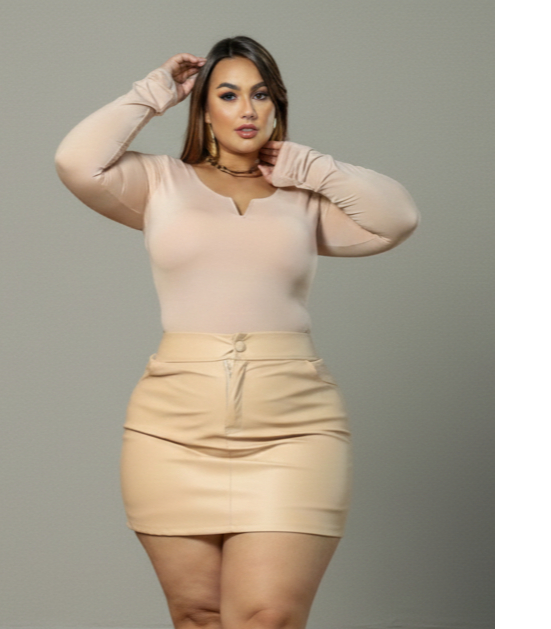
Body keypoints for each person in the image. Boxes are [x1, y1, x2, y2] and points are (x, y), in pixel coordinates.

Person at [55, 35, 419, 629]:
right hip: (172, 429)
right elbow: (76, 160)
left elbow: (397, 218)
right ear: (203, 108)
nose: (246, 109)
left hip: (293, 428)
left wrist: (312, 167)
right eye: (228, 95)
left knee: (267, 617)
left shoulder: (304, 198)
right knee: (197, 616)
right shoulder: (160, 182)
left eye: (261, 95)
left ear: (278, 106)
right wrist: (155, 91)